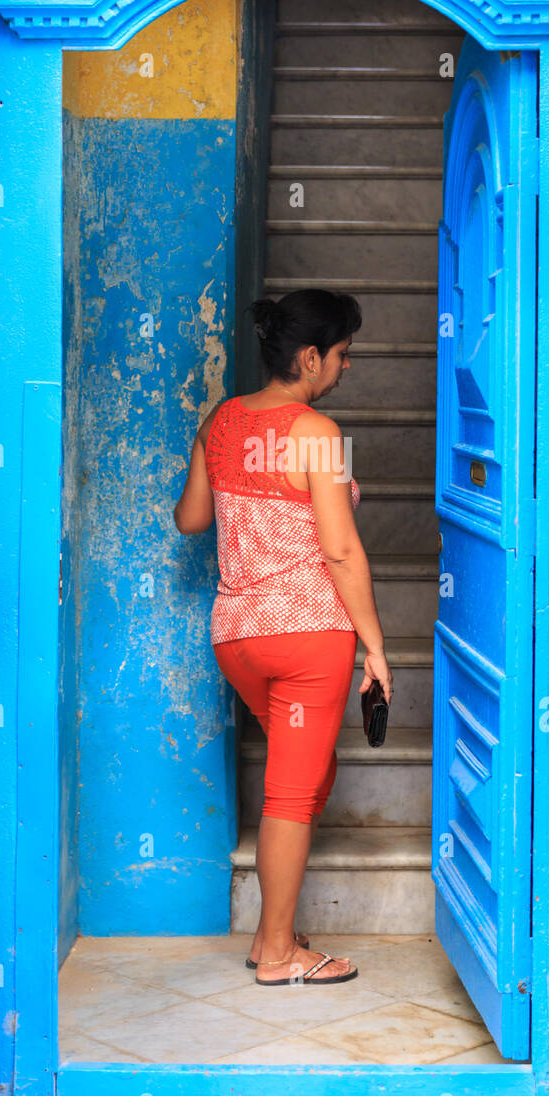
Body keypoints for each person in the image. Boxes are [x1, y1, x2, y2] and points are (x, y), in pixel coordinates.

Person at [173, 288, 394, 985]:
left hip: (237, 636)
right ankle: (276, 954)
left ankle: (277, 928)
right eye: (341, 355)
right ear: (308, 357)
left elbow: (190, 520)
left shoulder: (223, 420)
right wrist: (377, 648)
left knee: (306, 773)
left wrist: (219, 465)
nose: (345, 368)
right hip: (305, 635)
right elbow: (341, 550)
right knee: (294, 791)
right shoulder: (317, 435)